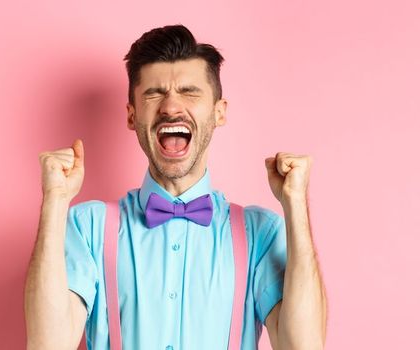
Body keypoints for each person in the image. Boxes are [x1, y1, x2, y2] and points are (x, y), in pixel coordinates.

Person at [25, 24, 327, 349]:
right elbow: (47, 345)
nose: (170, 106)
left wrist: (295, 206)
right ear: (131, 115)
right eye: (154, 93)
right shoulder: (88, 228)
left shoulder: (261, 232)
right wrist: (54, 202)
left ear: (218, 112)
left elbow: (303, 345)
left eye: (189, 91)